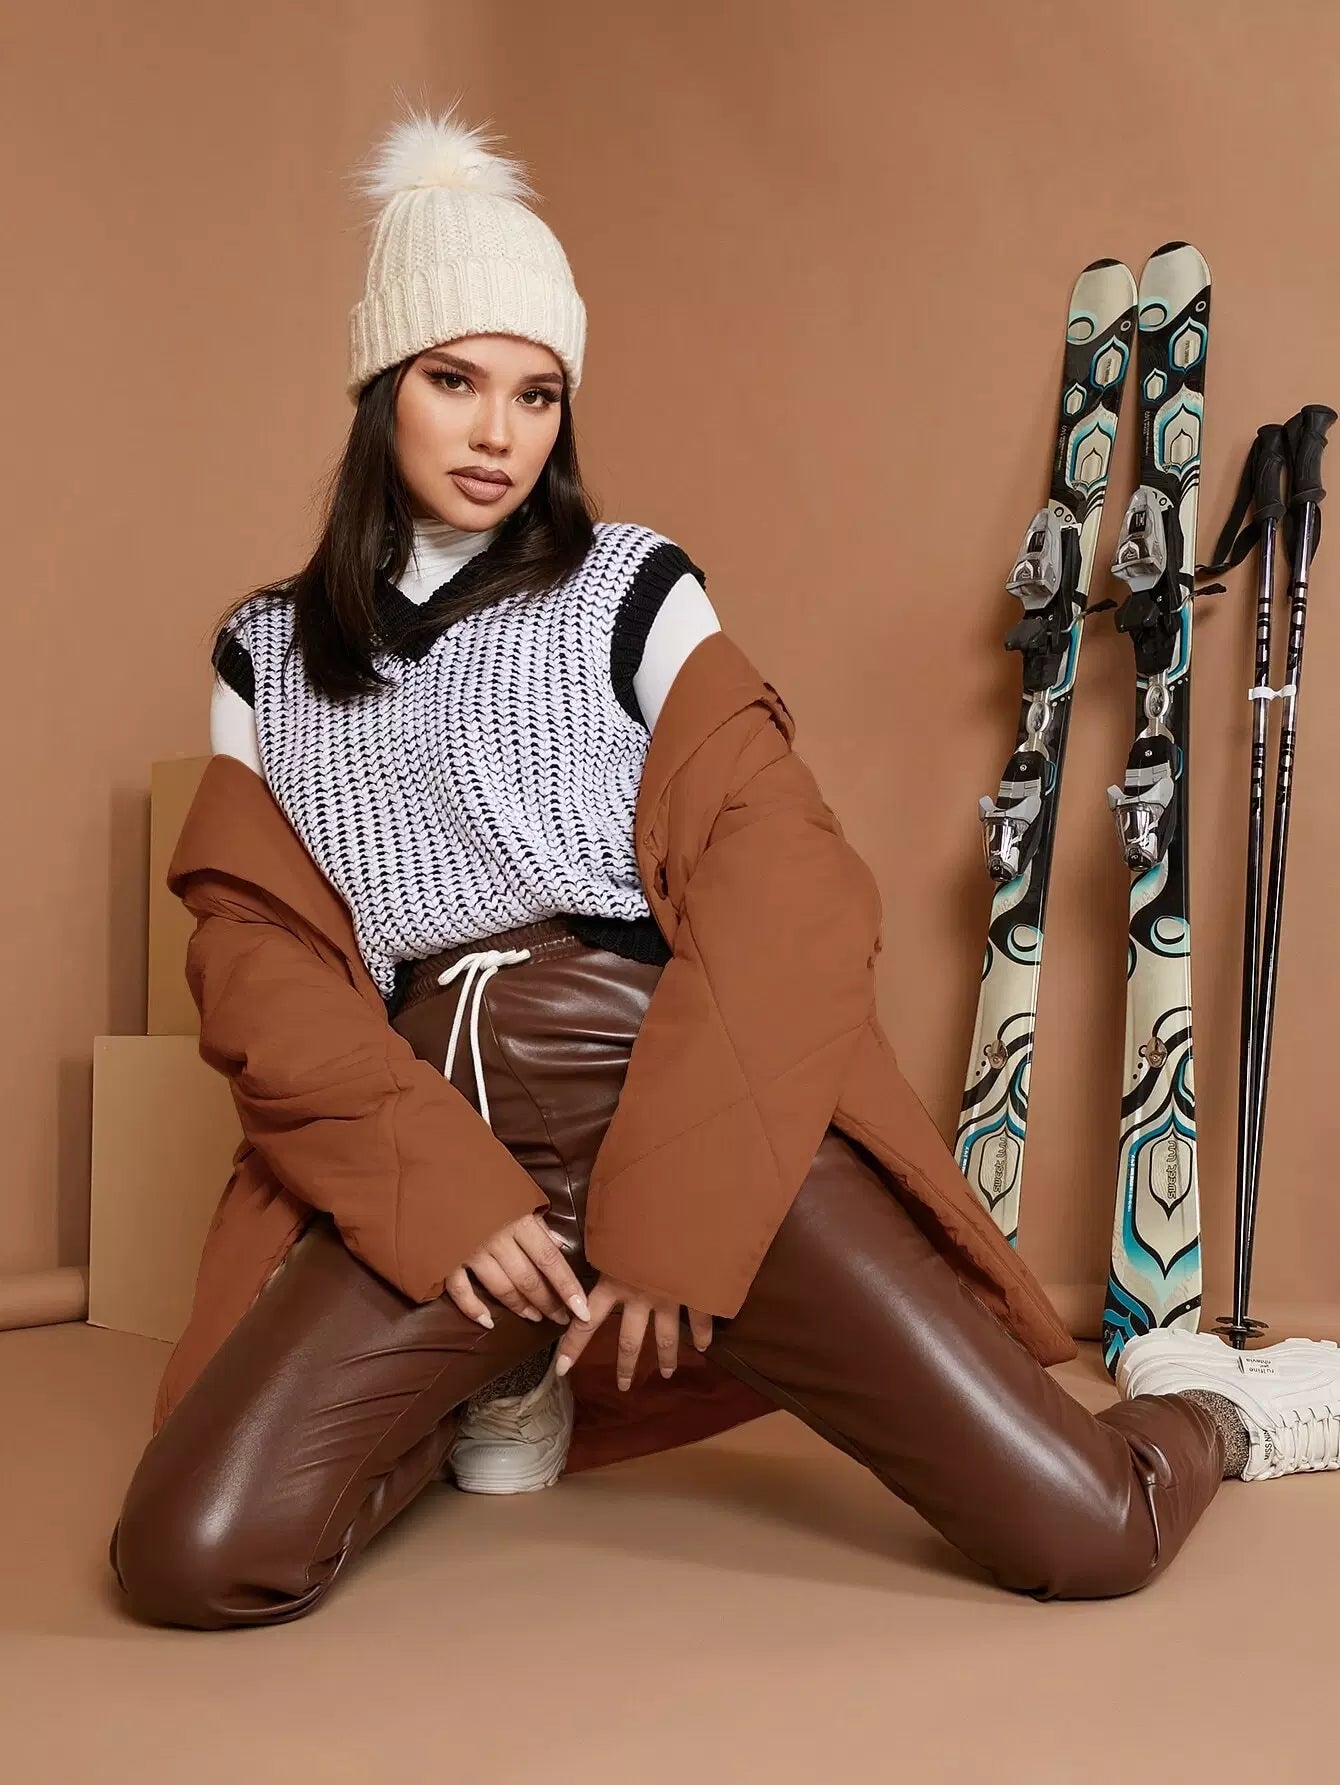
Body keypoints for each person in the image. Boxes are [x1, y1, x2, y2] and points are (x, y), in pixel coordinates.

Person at [110, 100, 1340, 1630]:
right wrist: (436, 1196)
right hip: (430, 1129)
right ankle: (497, 1369)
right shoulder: (264, 654)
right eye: (454, 380)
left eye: (538, 393)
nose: (499, 434)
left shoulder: (631, 588)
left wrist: (680, 1207)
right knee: (189, 1547)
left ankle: (1218, 1405)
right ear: (381, 385)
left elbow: (785, 885)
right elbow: (259, 966)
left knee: (1086, 1526)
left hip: (680, 1089)